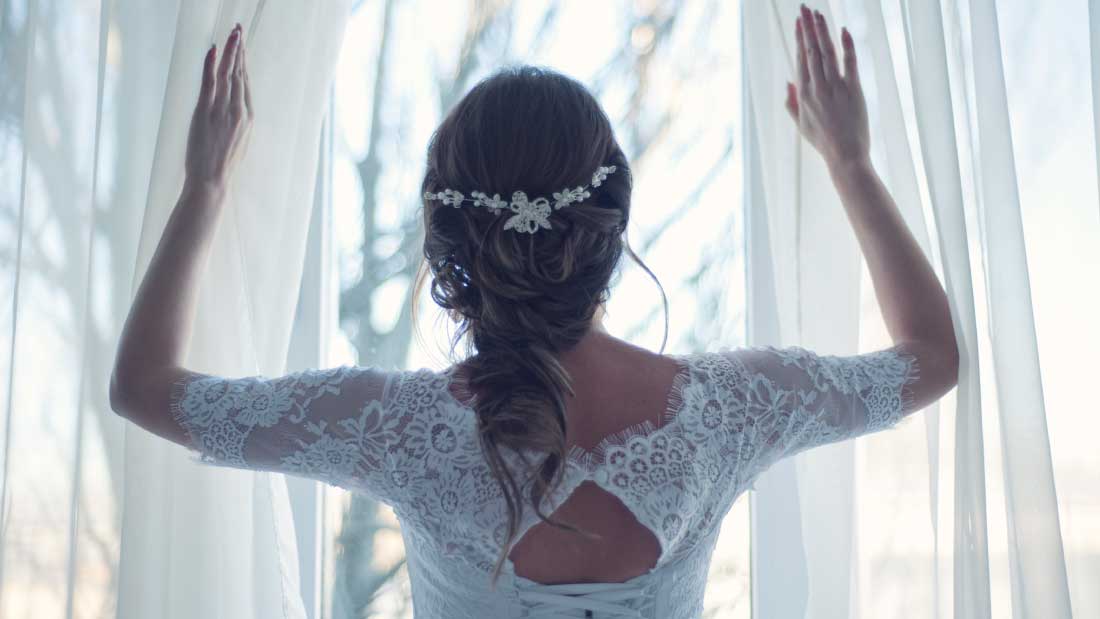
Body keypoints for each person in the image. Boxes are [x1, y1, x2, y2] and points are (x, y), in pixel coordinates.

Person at [110, 5, 959, 618]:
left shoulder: (398, 428)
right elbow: (930, 356)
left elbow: (144, 386)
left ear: (451, 242)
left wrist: (205, 188)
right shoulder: (726, 413)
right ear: (610, 225)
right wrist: (850, 164)